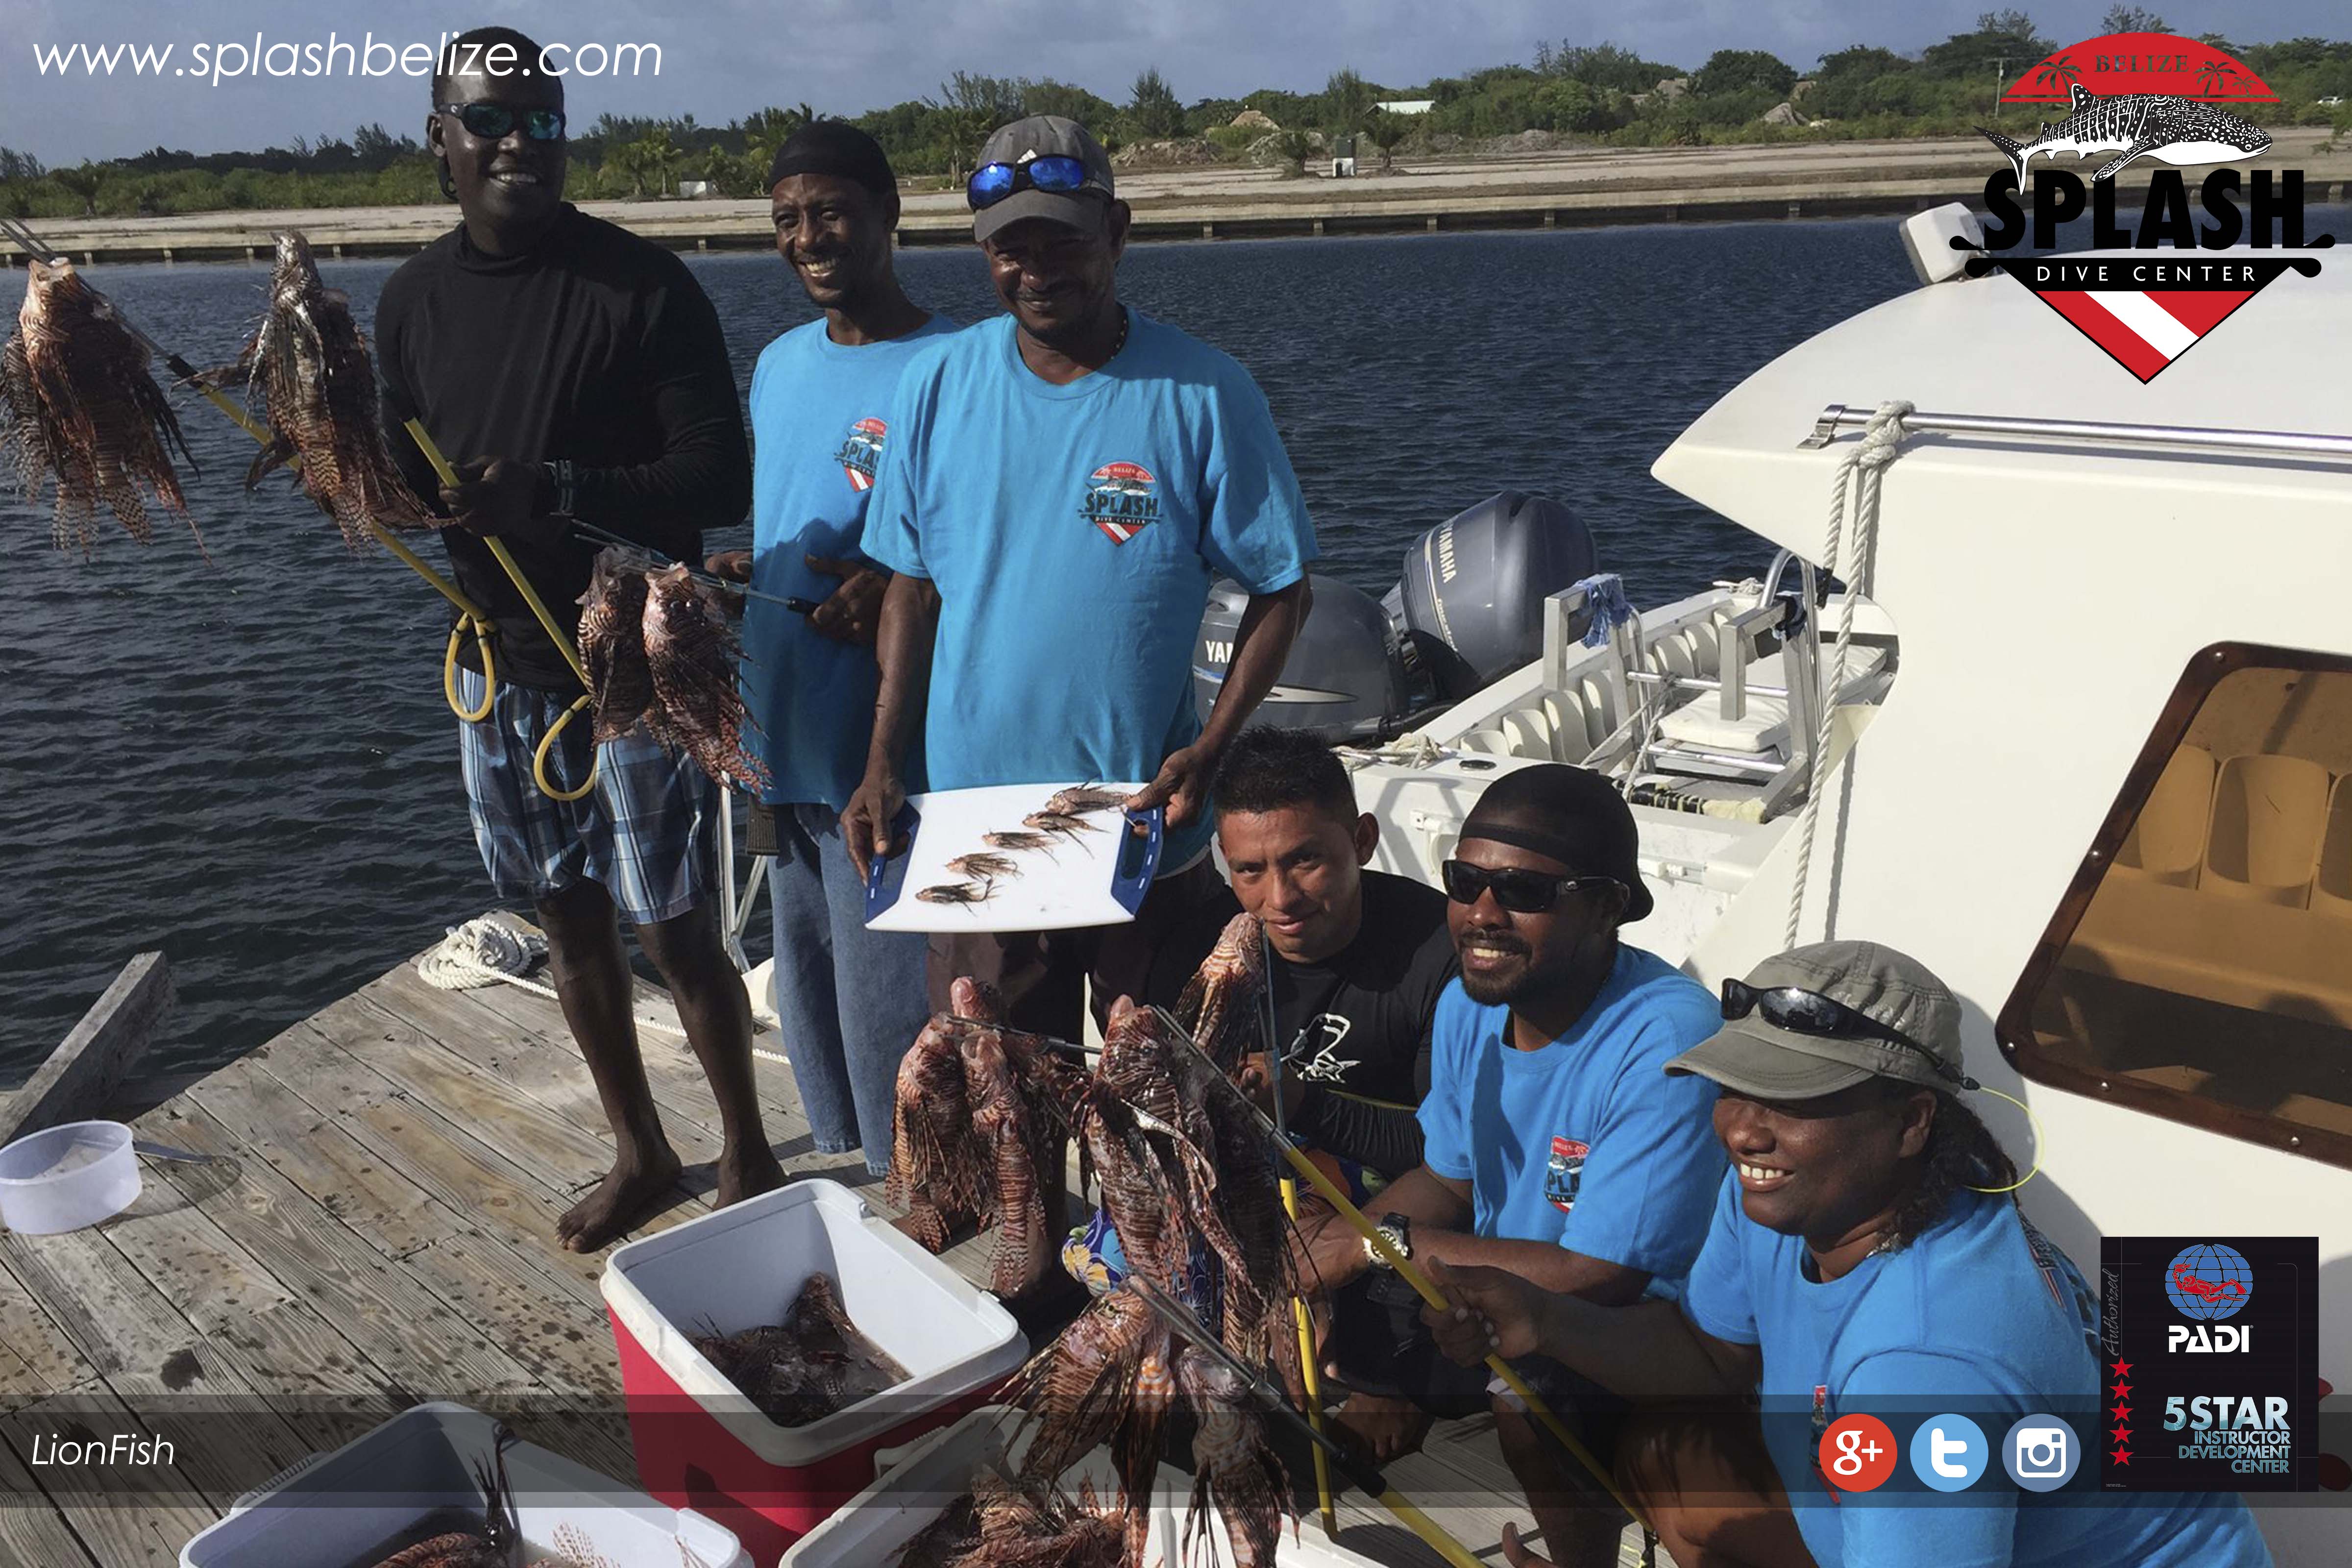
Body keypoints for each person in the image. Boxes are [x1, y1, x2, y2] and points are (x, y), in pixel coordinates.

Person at [1423, 941, 2274, 1568]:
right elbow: (1709, 1355)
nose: (1744, 1128)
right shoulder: (1800, 1193)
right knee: (1669, 1453)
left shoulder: (1925, 1365)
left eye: (1797, 1098)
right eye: (1735, 1085)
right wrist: (1540, 1317)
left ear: (1911, 1123)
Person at [376, 25, 781, 1251]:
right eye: (488, 120)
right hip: (499, 666)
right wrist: (380, 483)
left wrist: (548, 488)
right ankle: (639, 1149)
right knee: (563, 913)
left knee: (672, 924)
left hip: (633, 663)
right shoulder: (409, 303)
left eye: (541, 119)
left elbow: (718, 468)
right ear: (438, 141)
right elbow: (401, 469)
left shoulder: (643, 286)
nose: (517, 142)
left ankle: (749, 1154)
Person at [844, 115, 1317, 1046]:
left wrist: (1213, 748)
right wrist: (882, 763)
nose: (1036, 269)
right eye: (1009, 249)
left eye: (1061, 241)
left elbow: (1282, 586)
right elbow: (911, 587)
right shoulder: (938, 384)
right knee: (999, 1110)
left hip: (1143, 828)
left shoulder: (1205, 392)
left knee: (1168, 1110)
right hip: (979, 832)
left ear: (1118, 232)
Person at [1289, 761, 1726, 1564]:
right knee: (1287, 1285)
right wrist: (1330, 1250)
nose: (1482, 914)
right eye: (1465, 881)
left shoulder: (1664, 1039)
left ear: (1608, 907)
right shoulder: (1468, 1002)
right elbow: (1451, 1181)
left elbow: (1602, 1277)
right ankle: (1391, 1400)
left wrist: (1371, 1244)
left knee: (1536, 1400)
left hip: (1652, 1332)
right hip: (1493, 1284)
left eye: (1524, 892)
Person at [705, 123, 956, 1179]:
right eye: (788, 220)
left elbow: (975, 542)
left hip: (883, 747)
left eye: (833, 212)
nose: (810, 238)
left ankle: (920, 1191)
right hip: (776, 730)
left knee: (889, 995)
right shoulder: (776, 364)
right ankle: (852, 1175)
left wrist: (891, 581)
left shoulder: (958, 364)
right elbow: (794, 504)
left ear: (889, 217)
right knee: (800, 976)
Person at [1063, 724, 1456, 1300]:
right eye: (1250, 870)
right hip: (1239, 1164)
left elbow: (1448, 1155)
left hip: (1382, 1178)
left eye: (1305, 860)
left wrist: (1299, 1100)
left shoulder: (1440, 954)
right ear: (1225, 860)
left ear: (1364, 839)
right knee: (1106, 1259)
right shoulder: (1199, 948)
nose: (1280, 898)